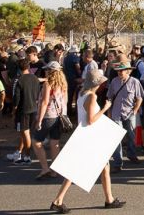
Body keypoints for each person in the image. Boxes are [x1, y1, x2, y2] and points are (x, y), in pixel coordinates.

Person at [50, 69, 126, 213]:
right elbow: (91, 120)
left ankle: (109, 199)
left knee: (103, 167)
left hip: (86, 135)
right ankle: (58, 200)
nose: (103, 84)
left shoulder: (82, 94)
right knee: (75, 171)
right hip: (90, 136)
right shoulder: (91, 97)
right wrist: (105, 108)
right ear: (97, 83)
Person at [107, 55, 144, 173]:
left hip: (129, 113)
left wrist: (134, 110)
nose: (120, 72)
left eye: (122, 70)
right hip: (116, 112)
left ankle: (132, 155)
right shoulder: (114, 81)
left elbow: (139, 98)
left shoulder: (135, 82)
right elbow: (109, 98)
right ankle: (118, 163)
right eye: (118, 70)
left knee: (131, 136)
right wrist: (109, 113)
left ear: (128, 70)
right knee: (116, 138)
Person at [32, 62, 68, 180]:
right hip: (60, 116)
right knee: (54, 143)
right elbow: (65, 101)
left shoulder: (48, 84)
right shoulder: (63, 83)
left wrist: (39, 119)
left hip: (48, 116)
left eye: (47, 70)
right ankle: (54, 170)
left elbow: (44, 102)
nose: (45, 71)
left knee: (36, 141)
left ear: (51, 72)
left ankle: (45, 168)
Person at [12, 59, 41, 166]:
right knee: (28, 133)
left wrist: (13, 111)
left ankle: (27, 157)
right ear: (28, 67)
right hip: (34, 108)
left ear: (19, 69)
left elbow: (16, 99)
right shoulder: (35, 79)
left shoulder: (19, 80)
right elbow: (38, 94)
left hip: (23, 110)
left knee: (25, 133)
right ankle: (23, 154)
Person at [62, 45, 81, 117]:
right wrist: (80, 75)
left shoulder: (66, 58)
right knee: (76, 95)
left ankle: (67, 111)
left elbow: (64, 67)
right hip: (74, 79)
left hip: (67, 78)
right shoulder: (75, 57)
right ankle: (73, 112)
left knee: (68, 95)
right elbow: (78, 68)